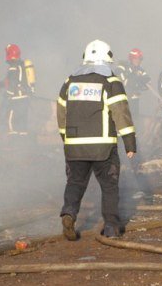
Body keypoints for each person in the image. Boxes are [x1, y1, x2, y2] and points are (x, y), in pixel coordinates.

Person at [57, 40, 136, 240]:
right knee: (109, 186)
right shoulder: (110, 81)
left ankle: (68, 213)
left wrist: (66, 137)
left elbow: (61, 112)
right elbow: (121, 113)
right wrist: (130, 142)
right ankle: (111, 227)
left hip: (74, 146)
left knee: (75, 182)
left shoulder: (70, 82)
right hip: (103, 147)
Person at [1, 43, 35, 135]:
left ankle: (14, 141)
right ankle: (22, 140)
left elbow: (12, 83)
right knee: (22, 122)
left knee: (11, 122)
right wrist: (2, 84)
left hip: (15, 100)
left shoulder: (13, 67)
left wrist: (7, 94)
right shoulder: (22, 65)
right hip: (25, 99)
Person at [114, 48, 151, 118]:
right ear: (131, 58)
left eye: (139, 59)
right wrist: (135, 78)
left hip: (134, 100)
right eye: (135, 59)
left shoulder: (140, 70)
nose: (138, 61)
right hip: (123, 100)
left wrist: (142, 82)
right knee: (123, 119)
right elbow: (123, 83)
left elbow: (148, 83)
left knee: (134, 119)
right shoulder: (121, 68)